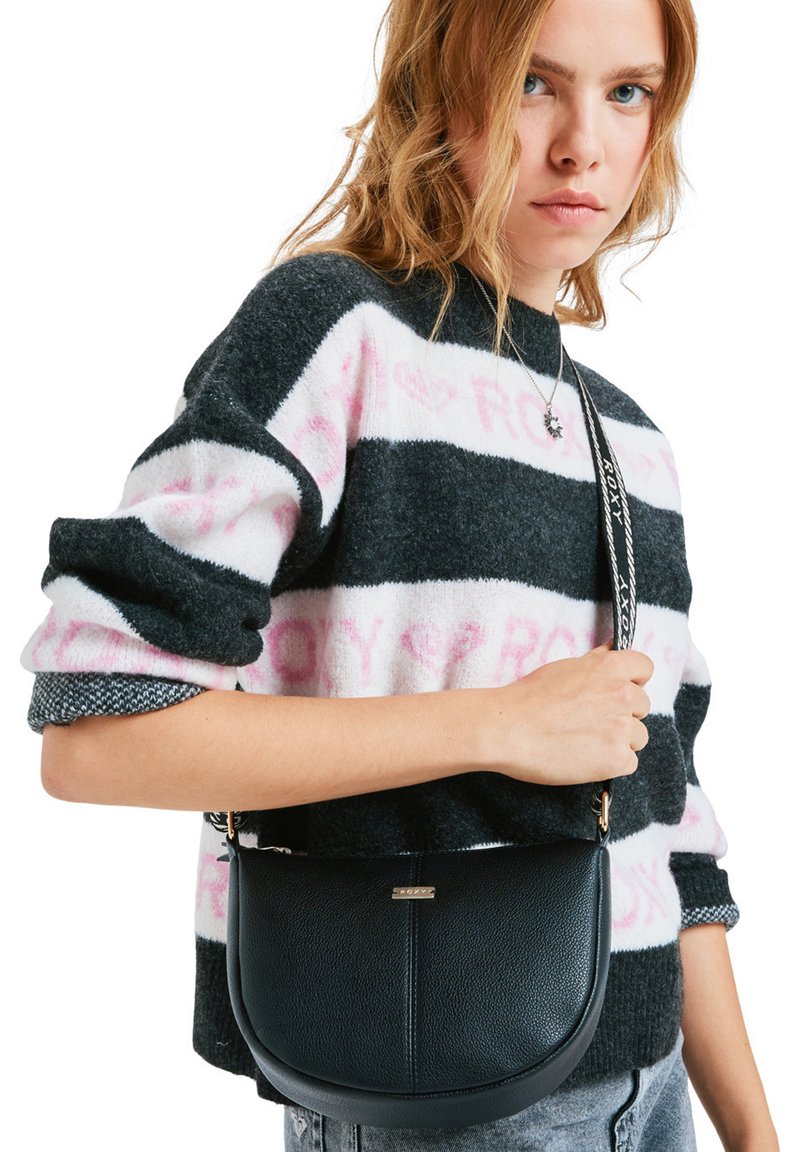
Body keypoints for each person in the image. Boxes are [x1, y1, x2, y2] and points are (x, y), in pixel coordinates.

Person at [21, 0, 779, 1148]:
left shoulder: (632, 445)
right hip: (437, 1101)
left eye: (626, 91)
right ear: (440, 93)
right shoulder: (337, 333)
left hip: (651, 1087)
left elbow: (669, 836)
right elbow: (96, 730)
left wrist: (754, 1133)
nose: (582, 144)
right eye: (532, 83)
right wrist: (493, 726)